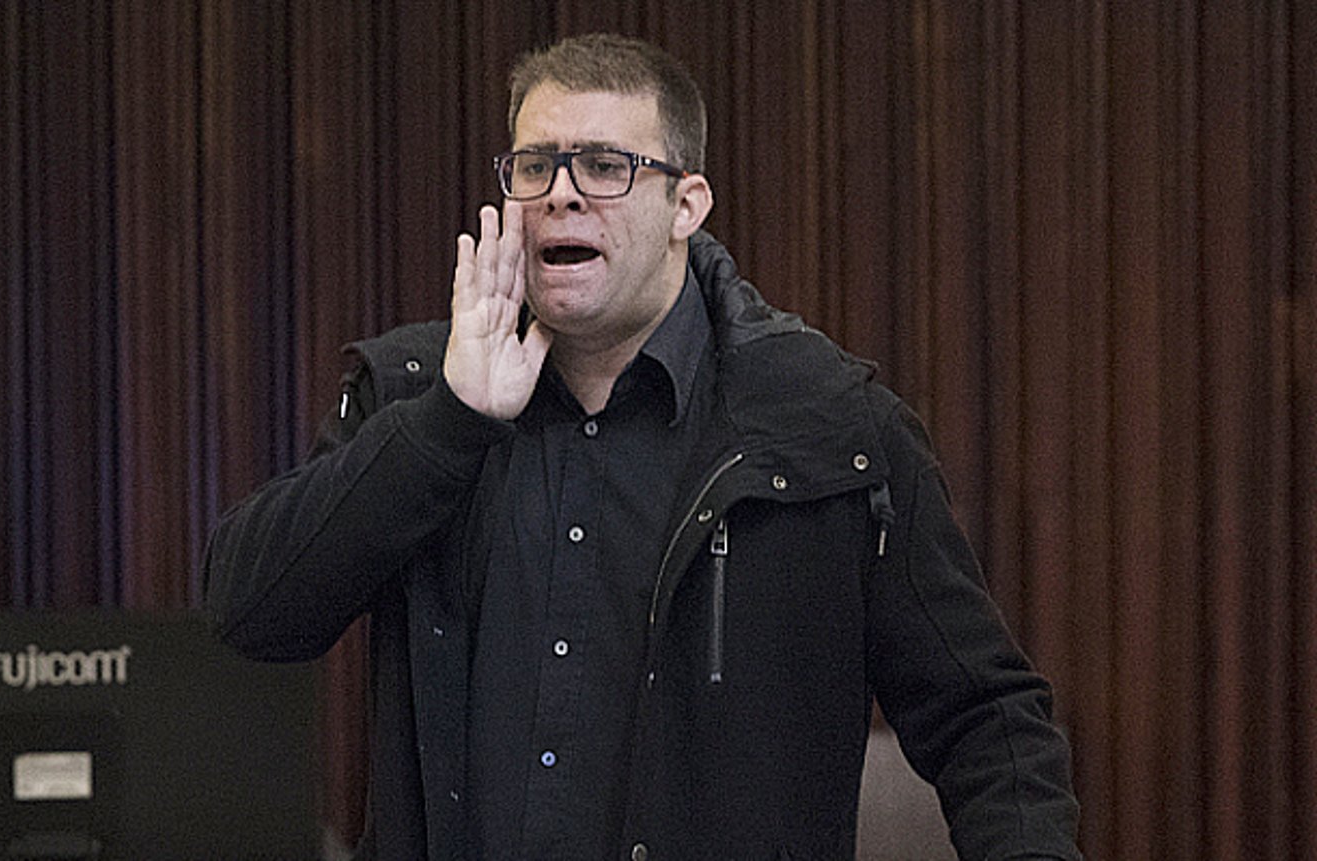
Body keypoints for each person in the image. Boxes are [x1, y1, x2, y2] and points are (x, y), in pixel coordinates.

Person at [204, 32, 1082, 861]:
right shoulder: (417, 393)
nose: (562, 193)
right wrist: (450, 422)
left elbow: (986, 718)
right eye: (536, 166)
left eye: (604, 166)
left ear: (684, 205)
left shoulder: (828, 423)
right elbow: (252, 612)